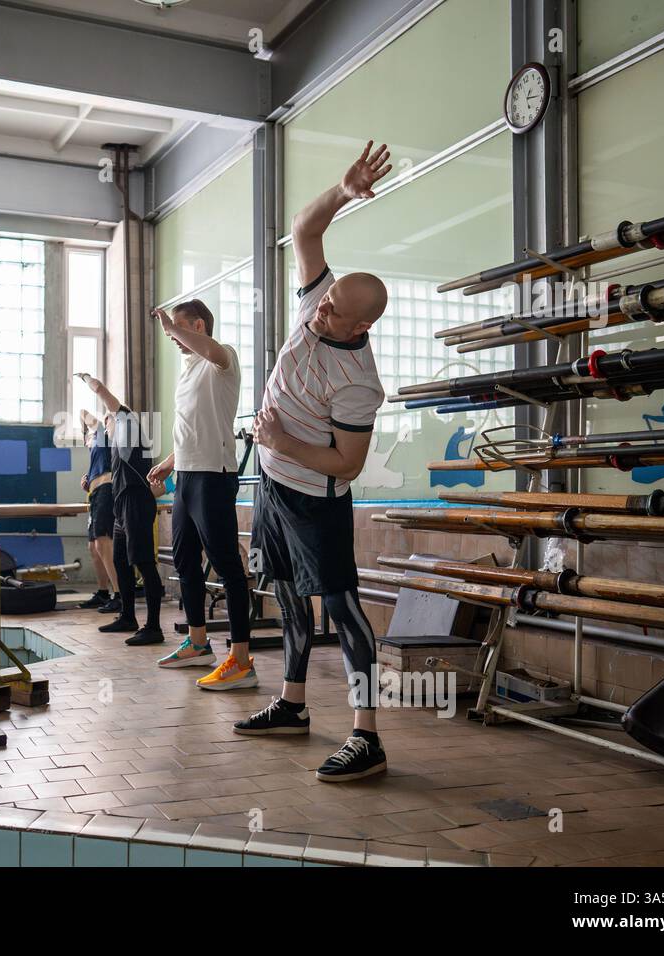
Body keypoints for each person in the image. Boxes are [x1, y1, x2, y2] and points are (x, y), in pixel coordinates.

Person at [211, 141, 393, 783]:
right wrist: (343, 192)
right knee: (286, 595)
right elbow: (304, 230)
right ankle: (292, 705)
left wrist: (283, 444)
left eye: (334, 310)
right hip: (272, 486)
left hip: (316, 498)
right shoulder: (319, 303)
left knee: (341, 607)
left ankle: (366, 736)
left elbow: (347, 463)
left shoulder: (357, 381)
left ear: (357, 329)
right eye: (324, 298)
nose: (321, 307)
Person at [147, 300, 251, 675]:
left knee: (227, 568)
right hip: (187, 476)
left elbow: (212, 351)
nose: (173, 335)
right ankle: (198, 642)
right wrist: (168, 462)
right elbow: (193, 427)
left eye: (180, 327)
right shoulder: (188, 370)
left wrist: (170, 326)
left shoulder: (222, 360)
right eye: (172, 328)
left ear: (199, 326)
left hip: (214, 476)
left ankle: (240, 660)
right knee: (186, 563)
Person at [77, 372, 166, 645]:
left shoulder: (128, 424)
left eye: (107, 420)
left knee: (143, 563)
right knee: (120, 560)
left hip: (136, 501)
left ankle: (153, 626)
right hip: (121, 503)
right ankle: (128, 616)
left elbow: (105, 395)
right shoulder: (116, 448)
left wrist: (89, 380)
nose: (105, 425)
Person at [77, 409, 121, 614]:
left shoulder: (105, 436)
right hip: (95, 493)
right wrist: (88, 481)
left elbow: (83, 412)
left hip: (106, 491)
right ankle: (103, 592)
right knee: (93, 548)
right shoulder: (96, 448)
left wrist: (87, 426)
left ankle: (120, 595)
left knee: (103, 543)